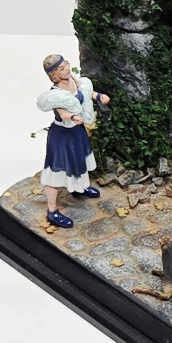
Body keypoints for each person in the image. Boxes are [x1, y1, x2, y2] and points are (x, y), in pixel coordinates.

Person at [36, 55, 111, 228]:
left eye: (66, 65)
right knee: (56, 170)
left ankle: (79, 188)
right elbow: (63, 114)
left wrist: (99, 96)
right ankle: (52, 210)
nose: (67, 69)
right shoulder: (56, 95)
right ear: (54, 74)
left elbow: (86, 93)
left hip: (77, 132)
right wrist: (73, 117)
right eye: (61, 68)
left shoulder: (74, 81)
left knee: (79, 161)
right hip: (62, 136)